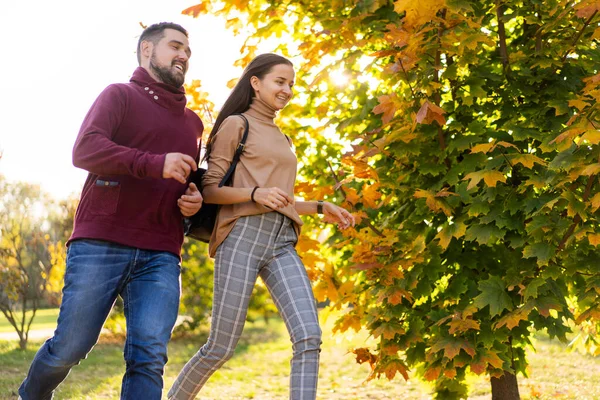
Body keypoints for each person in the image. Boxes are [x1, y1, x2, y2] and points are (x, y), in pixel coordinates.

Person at [18, 22, 204, 400]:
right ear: (147, 51)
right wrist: (154, 163)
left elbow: (187, 184)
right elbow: (85, 151)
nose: (184, 54)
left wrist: (192, 202)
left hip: (161, 253)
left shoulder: (193, 123)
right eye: (175, 46)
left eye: (188, 49)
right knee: (70, 346)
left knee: (149, 356)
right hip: (101, 242)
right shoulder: (119, 95)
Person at [168, 53, 355, 400]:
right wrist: (254, 193)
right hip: (241, 238)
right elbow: (209, 190)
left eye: (291, 84)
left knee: (309, 335)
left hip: (281, 239)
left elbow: (278, 199)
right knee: (220, 347)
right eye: (280, 82)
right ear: (256, 83)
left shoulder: (283, 137)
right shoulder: (237, 124)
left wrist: (317, 206)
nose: (287, 90)